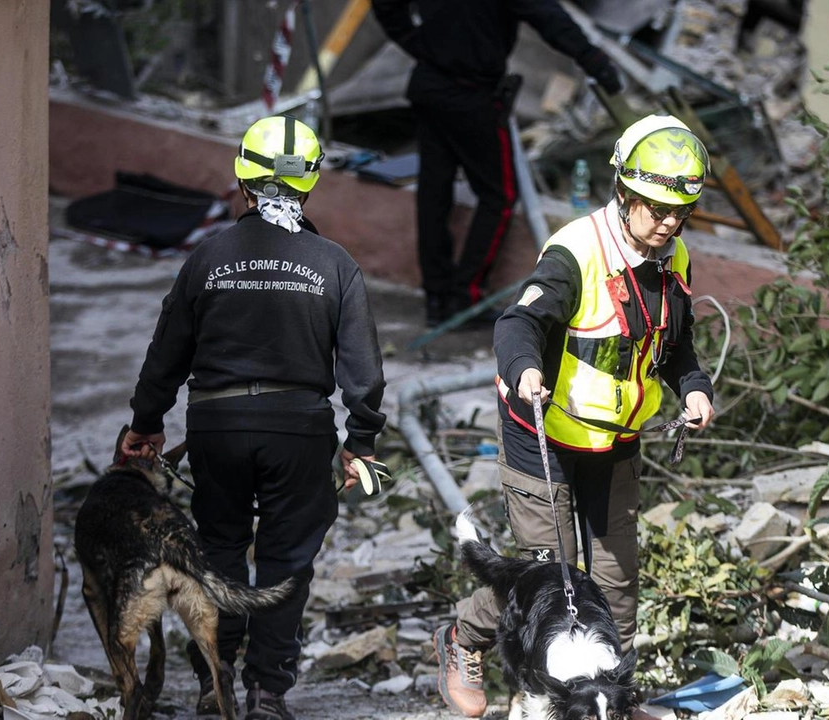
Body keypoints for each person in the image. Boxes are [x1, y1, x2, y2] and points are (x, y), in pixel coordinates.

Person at [433, 114, 717, 718]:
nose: (669, 224)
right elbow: (519, 323)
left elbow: (676, 344)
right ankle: (468, 639)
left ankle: (613, 697)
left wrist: (694, 388)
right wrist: (524, 369)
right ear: (624, 193)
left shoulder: (676, 257)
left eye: (680, 213)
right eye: (656, 210)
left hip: (615, 440)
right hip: (545, 432)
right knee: (547, 575)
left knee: (615, 580)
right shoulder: (577, 251)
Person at [119, 115, 386, 720]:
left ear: (242, 179)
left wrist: (146, 422)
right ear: (310, 185)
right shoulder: (334, 264)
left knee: (218, 554)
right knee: (287, 563)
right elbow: (363, 371)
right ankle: (268, 694)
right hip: (300, 432)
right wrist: (361, 441)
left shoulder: (207, 258)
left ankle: (217, 687)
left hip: (217, 428)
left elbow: (167, 353)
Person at [371, 0, 624, 327]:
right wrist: (595, 62)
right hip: (473, 98)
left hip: (430, 87)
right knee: (499, 196)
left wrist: (413, 41)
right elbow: (549, 18)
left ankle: (437, 297)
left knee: (434, 193)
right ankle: (465, 298)